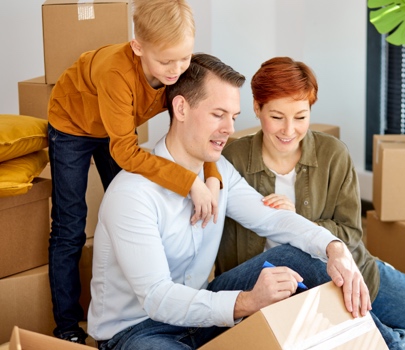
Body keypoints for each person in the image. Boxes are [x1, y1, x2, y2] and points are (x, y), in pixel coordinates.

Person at [88, 53, 372, 350]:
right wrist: (247, 302)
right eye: (218, 114)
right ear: (181, 107)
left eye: (233, 117)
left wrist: (334, 248)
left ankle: (384, 342)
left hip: (204, 314)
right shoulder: (132, 193)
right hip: (138, 331)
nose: (230, 129)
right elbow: (157, 298)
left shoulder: (219, 171)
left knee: (303, 254)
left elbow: (272, 219)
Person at [215, 56, 405, 350]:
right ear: (257, 108)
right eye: (276, 117)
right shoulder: (232, 160)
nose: (288, 130)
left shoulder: (332, 154)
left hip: (353, 272)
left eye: (300, 116)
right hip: (278, 294)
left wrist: (300, 221)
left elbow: (351, 232)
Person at [47, 0, 222, 344]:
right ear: (138, 47)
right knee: (70, 227)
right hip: (73, 124)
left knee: (132, 214)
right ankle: (67, 328)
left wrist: (211, 174)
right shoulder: (117, 73)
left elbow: (199, 125)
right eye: (165, 61)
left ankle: (148, 303)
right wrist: (190, 183)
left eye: (184, 58)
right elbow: (125, 151)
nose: (176, 70)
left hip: (116, 129)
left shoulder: (181, 64)